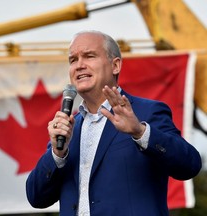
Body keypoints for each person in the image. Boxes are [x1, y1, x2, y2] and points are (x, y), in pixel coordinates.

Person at [25, 30, 202, 216]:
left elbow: (189, 165)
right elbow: (36, 197)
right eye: (73, 60)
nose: (79, 65)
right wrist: (57, 154)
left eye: (89, 56)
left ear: (115, 65)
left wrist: (140, 132)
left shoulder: (146, 113)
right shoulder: (68, 129)